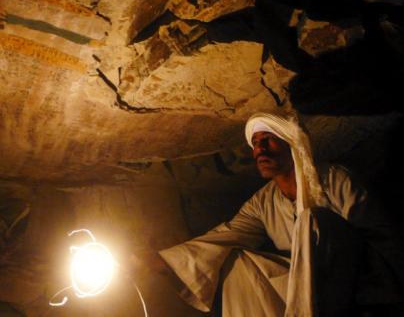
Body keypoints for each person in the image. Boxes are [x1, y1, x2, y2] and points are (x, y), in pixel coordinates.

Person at [132, 112, 404, 317]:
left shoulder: (335, 179)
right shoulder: (263, 202)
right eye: (256, 143)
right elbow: (226, 235)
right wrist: (162, 261)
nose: (259, 149)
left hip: (356, 282)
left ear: (291, 144)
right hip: (306, 290)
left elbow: (380, 236)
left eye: (268, 140)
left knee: (312, 219)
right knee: (231, 259)